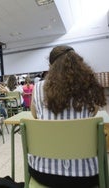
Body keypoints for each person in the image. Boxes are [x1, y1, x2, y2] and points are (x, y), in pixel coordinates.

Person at [30, 45, 106, 188]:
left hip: (43, 173)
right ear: (78, 64)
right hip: (86, 176)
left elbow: (34, 115)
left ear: (51, 66)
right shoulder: (89, 88)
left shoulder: (39, 88)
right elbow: (93, 113)